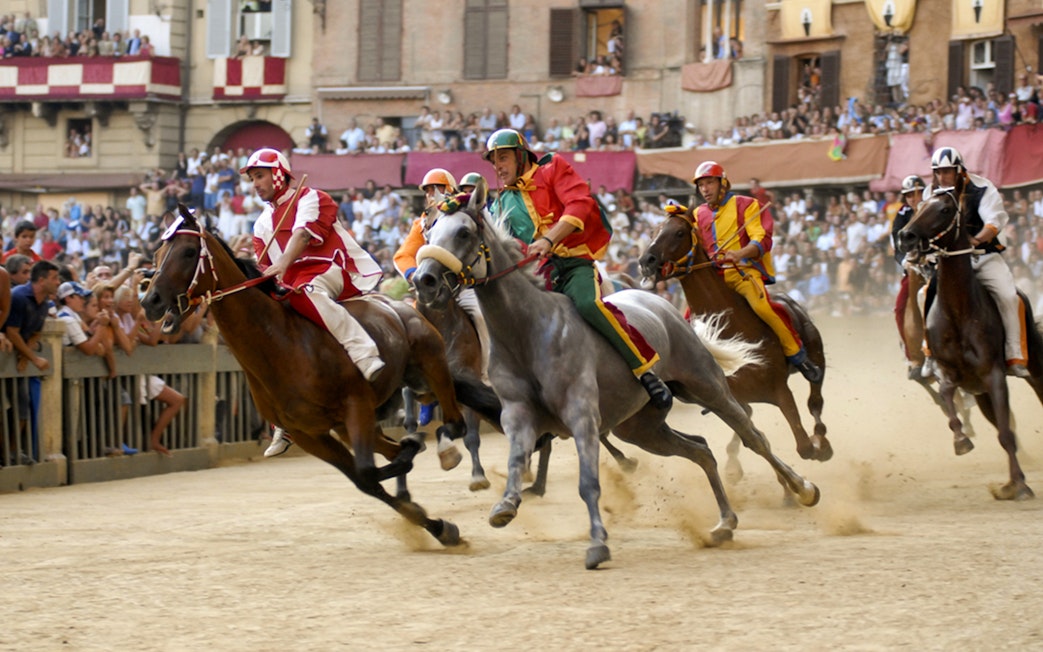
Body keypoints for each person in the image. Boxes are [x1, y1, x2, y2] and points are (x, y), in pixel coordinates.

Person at [483, 128, 672, 409]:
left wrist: (549, 238)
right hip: (540, 274)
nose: (498, 166)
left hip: (574, 262)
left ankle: (644, 369)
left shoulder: (552, 168)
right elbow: (508, 247)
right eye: (494, 161)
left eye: (504, 158)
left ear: (521, 156)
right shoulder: (500, 203)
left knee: (587, 304)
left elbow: (579, 204)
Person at [244, 148, 385, 374]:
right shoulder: (261, 224)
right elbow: (263, 266)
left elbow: (303, 234)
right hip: (292, 280)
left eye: (260, 176)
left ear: (279, 174)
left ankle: (364, 353)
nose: (255, 184)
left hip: (330, 267)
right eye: (252, 179)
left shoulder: (311, 197)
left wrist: (282, 264)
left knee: (304, 293)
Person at [689, 161, 823, 383]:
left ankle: (798, 356)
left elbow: (761, 240)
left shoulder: (747, 205)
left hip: (742, 272)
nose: (705, 189)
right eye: (701, 185)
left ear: (723, 183)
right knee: (688, 321)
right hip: (713, 279)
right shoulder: (698, 214)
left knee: (764, 307)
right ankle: (704, 380)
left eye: (710, 182)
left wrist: (739, 253)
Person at [392, 168, 492, 424]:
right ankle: (419, 390)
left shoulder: (463, 216)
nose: (431, 195)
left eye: (436, 188)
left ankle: (485, 374)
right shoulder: (421, 223)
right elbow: (403, 255)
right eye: (427, 191)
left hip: (463, 287)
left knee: (480, 315)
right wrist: (415, 274)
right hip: (432, 289)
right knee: (409, 328)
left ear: (450, 190)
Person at [922, 146, 1029, 377]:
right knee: (924, 294)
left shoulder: (982, 188)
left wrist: (976, 239)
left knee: (1009, 297)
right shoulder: (930, 193)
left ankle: (1015, 355)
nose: (942, 177)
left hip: (985, 257)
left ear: (960, 170)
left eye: (947, 171)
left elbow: (995, 221)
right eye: (938, 172)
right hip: (950, 262)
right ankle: (929, 353)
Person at [890, 175, 927, 377]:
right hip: (913, 268)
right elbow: (896, 245)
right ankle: (911, 355)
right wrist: (906, 261)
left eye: (918, 192)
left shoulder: (935, 206)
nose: (915, 198)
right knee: (899, 308)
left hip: (937, 263)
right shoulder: (902, 214)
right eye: (910, 195)